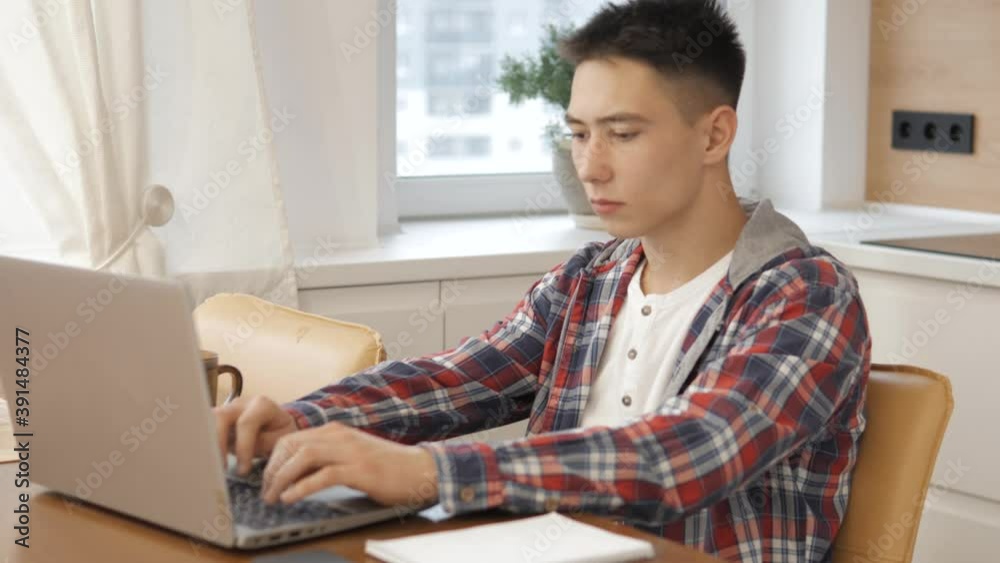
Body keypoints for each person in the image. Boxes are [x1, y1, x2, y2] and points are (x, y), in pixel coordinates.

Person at [214, 1, 871, 560]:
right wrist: (299, 422)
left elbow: (685, 454)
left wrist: (427, 473)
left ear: (715, 135)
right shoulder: (590, 278)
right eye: (579, 134)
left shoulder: (802, 293)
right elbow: (456, 378)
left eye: (622, 133)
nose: (592, 165)